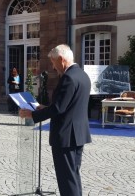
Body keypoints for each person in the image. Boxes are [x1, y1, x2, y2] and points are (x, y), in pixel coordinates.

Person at [19, 44, 92, 196]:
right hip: (78, 134)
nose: (53, 67)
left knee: (66, 179)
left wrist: (31, 115)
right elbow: (67, 105)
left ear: (61, 59)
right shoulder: (82, 75)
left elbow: (58, 109)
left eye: (53, 62)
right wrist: (45, 107)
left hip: (65, 136)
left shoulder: (68, 78)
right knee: (73, 175)